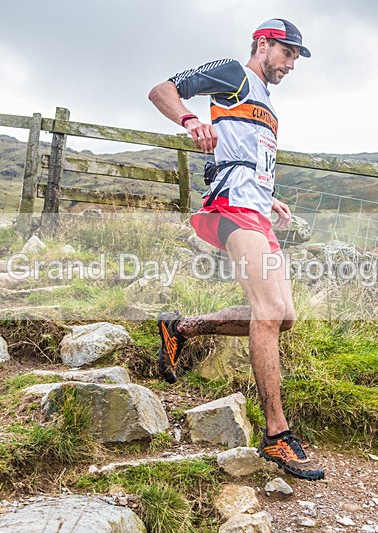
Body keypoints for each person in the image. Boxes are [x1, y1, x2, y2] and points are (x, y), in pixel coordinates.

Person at [148, 18, 324, 481]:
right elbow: (162, 90)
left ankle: (179, 328)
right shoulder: (234, 74)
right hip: (231, 208)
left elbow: (246, 155)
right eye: (287, 53)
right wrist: (190, 120)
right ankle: (277, 434)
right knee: (268, 312)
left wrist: (269, 196)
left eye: (295, 58)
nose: (291, 65)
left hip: (257, 210)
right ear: (263, 44)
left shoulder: (267, 103)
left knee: (284, 316)